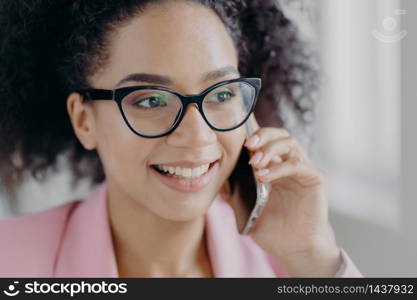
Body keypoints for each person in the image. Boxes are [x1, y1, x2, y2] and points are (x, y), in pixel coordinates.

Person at [0, 0, 361, 277]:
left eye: (221, 94)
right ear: (84, 120)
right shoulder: (11, 260)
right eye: (151, 100)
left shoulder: (290, 260)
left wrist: (312, 258)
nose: (197, 136)